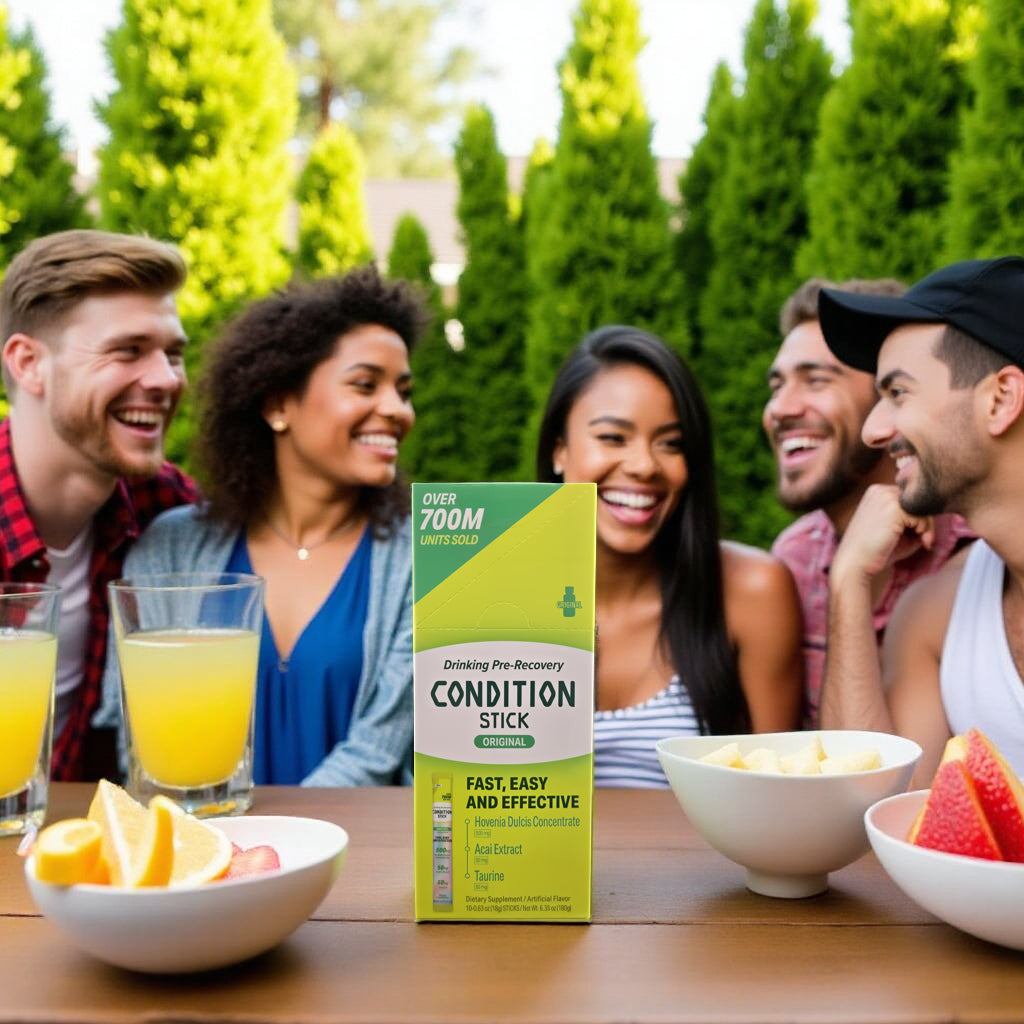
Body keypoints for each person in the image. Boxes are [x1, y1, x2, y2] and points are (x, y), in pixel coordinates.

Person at [97, 265, 426, 785]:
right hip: (205, 851)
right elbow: (141, 740)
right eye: (366, 384)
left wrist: (283, 843)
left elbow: (379, 751)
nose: (396, 410)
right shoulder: (170, 550)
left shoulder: (423, 559)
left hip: (359, 856)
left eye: (403, 391)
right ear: (278, 403)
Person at [536, 325, 803, 787]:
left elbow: (777, 804)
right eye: (613, 438)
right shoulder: (494, 596)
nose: (644, 465)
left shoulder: (752, 592)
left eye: (671, 443)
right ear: (560, 451)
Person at [815, 255, 1024, 781]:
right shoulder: (935, 613)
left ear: (1000, 399)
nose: (872, 431)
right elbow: (871, 812)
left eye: (897, 393)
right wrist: (848, 583)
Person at [0, 229, 198, 781]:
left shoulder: (171, 510)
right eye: (128, 350)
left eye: (173, 354)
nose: (165, 379)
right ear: (29, 363)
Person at [764, 278, 973, 726]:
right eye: (776, 385)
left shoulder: (975, 557)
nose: (780, 408)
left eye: (815, 380)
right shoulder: (793, 558)